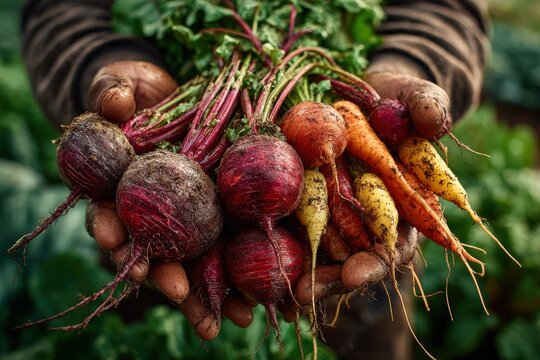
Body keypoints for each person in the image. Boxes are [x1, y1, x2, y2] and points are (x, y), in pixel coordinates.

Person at [22, 0, 489, 358]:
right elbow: (59, 10)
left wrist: (416, 63)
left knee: (360, 276)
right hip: (156, 219)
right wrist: (97, 63)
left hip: (359, 291)